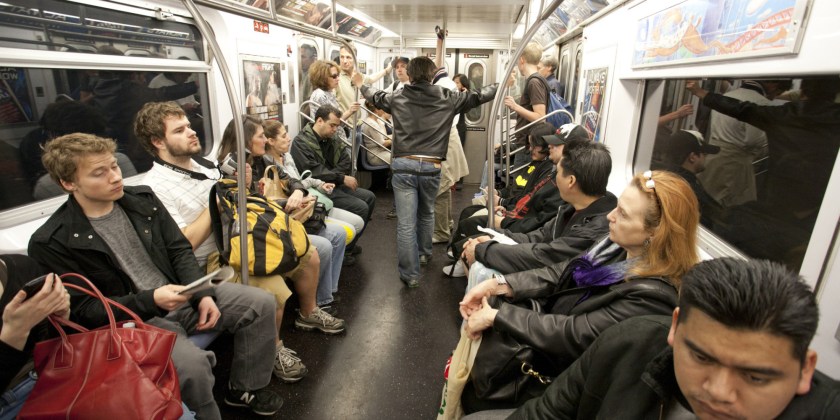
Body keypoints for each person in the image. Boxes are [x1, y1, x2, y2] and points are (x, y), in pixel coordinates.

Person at [27, 133, 284, 418]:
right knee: (193, 367)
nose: (115, 177)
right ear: (68, 183)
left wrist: (202, 295)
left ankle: (244, 388)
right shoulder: (52, 241)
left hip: (177, 293)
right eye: (100, 173)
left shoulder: (142, 200)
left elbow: (178, 250)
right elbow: (84, 310)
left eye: (114, 166)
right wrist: (151, 300)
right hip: (133, 320)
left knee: (261, 303)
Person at [457, 170, 700, 412]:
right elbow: (561, 272)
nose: (610, 216)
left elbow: (575, 333)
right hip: (552, 345)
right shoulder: (613, 247)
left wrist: (497, 316)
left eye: (623, 214)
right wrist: (500, 284)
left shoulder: (652, 296)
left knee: (475, 399)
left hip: (569, 378)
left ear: (655, 233)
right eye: (616, 207)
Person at [505, 258, 840, 419]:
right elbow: (543, 415)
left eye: (755, 377)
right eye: (701, 358)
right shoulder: (628, 345)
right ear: (675, 328)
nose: (718, 392)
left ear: (805, 369)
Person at [353, 56, 499, 288]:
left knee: (406, 223)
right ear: (432, 76)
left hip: (404, 164)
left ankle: (410, 275)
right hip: (432, 165)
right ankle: (424, 253)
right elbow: (479, 95)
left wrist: (361, 83)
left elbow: (375, 96)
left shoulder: (398, 96)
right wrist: (502, 84)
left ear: (410, 75)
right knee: (427, 212)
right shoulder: (447, 96)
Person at [463, 139, 616, 290]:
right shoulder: (571, 208)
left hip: (558, 288)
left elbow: (544, 256)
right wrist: (494, 237)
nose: (555, 177)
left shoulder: (595, 228)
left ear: (570, 181)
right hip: (547, 273)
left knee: (481, 269)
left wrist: (484, 250)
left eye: (558, 172)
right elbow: (539, 236)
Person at [444, 123, 572, 277]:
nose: (550, 147)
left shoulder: (555, 183)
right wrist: (504, 203)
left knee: (472, 224)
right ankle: (460, 252)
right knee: (470, 213)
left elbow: (537, 223)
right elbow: (526, 197)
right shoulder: (548, 173)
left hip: (522, 225)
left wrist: (504, 213)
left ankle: (462, 253)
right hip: (519, 216)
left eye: (556, 145)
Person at [262, 119, 364, 248]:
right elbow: (290, 190)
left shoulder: (287, 156)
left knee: (358, 222)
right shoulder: (268, 167)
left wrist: (320, 184)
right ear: (271, 141)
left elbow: (300, 182)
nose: (289, 138)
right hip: (299, 211)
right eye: (284, 136)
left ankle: (342, 252)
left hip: (312, 201)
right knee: (345, 231)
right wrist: (304, 190)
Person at [291, 104, 376, 256]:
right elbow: (314, 172)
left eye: (337, 126)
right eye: (332, 125)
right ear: (319, 121)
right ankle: (345, 252)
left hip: (335, 184)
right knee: (361, 207)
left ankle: (348, 246)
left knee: (369, 197)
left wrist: (334, 177)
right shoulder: (301, 142)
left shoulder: (332, 138)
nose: (335, 129)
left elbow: (345, 161)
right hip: (318, 189)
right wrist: (339, 177)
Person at [0, 256, 70, 420]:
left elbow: (53, 347)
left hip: (51, 378)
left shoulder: (22, 267)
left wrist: (61, 317)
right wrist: (14, 334)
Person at [696, 80, 770, 208]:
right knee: (729, 206)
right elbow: (753, 140)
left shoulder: (725, 97)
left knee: (705, 200)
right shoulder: (761, 103)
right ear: (772, 85)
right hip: (735, 163)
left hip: (712, 157)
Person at [654, 129, 723, 227]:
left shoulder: (658, 175)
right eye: (704, 154)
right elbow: (715, 219)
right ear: (692, 157)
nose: (706, 158)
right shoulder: (689, 190)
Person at [504, 42, 547, 170]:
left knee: (520, 180)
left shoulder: (534, 82)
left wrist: (515, 107)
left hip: (527, 144)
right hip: (525, 142)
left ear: (522, 60)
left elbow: (540, 117)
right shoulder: (534, 80)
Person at [308, 60, 360, 148]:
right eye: (334, 76)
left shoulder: (330, 92)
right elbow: (331, 121)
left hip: (337, 139)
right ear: (323, 78)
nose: (338, 79)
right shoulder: (320, 95)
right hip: (330, 142)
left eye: (338, 75)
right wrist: (349, 111)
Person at [335, 44, 391, 114]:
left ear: (355, 59)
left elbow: (371, 79)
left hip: (357, 120)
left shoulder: (357, 75)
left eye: (348, 57)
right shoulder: (336, 77)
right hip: (344, 120)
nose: (344, 61)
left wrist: (386, 70)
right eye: (342, 57)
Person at [361, 101, 392, 166]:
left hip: (382, 152)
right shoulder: (371, 124)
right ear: (376, 110)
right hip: (376, 156)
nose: (384, 111)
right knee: (401, 158)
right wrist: (395, 139)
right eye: (382, 108)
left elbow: (385, 137)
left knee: (404, 155)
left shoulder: (377, 121)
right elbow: (382, 144)